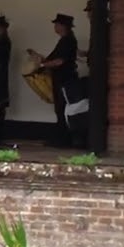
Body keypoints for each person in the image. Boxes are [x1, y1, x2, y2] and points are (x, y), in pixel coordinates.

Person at [28, 13, 80, 148]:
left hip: (65, 79)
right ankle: (61, 138)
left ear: (63, 26)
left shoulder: (68, 41)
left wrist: (41, 65)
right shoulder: (64, 40)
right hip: (60, 79)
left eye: (57, 24)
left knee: (63, 109)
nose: (55, 27)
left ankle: (64, 140)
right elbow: (53, 60)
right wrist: (38, 57)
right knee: (60, 109)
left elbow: (59, 61)